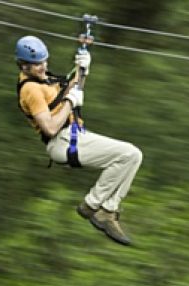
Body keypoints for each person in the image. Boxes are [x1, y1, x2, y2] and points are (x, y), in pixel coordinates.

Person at [15, 35, 142, 245]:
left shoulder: (44, 79)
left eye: (44, 61)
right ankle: (92, 206)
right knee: (127, 155)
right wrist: (70, 101)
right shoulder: (31, 90)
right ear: (23, 65)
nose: (42, 67)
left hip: (75, 135)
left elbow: (75, 88)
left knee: (133, 156)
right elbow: (50, 127)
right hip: (62, 141)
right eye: (36, 64)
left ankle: (108, 210)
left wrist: (83, 67)